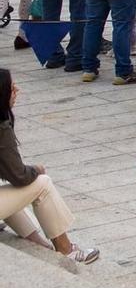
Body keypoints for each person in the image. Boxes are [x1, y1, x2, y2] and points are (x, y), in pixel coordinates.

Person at [0, 68, 98, 263]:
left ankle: (39, 244)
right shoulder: (1, 128)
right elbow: (19, 176)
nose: (17, 90)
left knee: (15, 194)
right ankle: (65, 248)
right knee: (42, 184)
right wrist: (36, 169)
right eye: (12, 88)